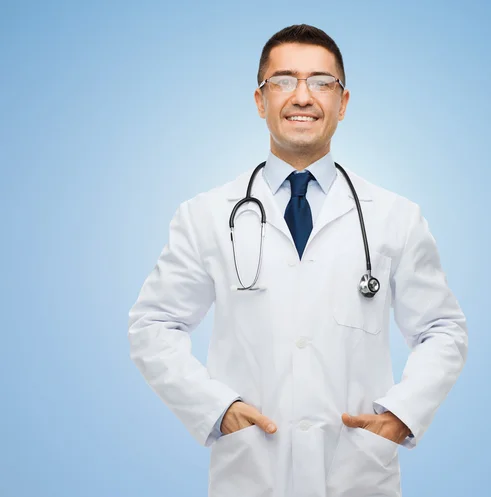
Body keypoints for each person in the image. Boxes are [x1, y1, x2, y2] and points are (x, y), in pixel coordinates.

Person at [128, 23, 468, 497]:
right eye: (284, 80)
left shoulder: (395, 217)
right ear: (259, 100)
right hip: (251, 473)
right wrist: (216, 408)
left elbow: (443, 331)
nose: (302, 96)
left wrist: (401, 416)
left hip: (358, 474)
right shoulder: (205, 215)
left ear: (343, 103)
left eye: (321, 83)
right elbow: (153, 325)